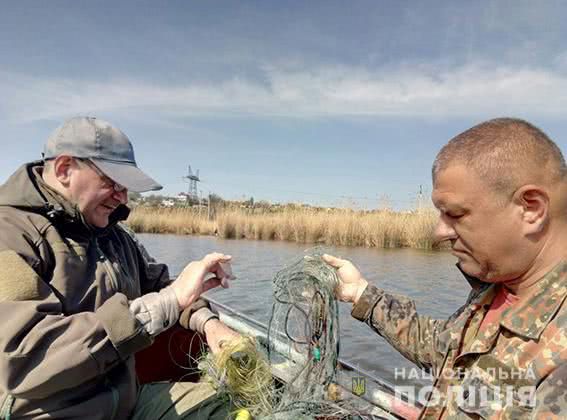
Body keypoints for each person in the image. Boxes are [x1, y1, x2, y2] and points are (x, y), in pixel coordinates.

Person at [324, 118, 567, 419]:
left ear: (531, 208)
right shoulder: (497, 287)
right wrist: (360, 292)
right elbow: (441, 348)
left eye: (454, 214)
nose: (439, 232)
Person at [0, 116, 238, 419]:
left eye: (126, 186)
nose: (124, 196)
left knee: (231, 407)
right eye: (111, 182)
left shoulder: (113, 235)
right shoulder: (10, 234)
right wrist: (167, 302)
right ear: (64, 170)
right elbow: (24, 358)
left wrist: (209, 323)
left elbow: (160, 286)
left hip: (127, 404)